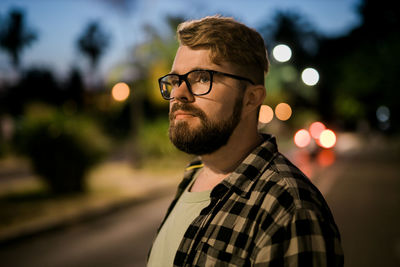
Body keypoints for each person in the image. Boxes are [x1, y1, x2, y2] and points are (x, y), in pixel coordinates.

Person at [147, 15, 343, 267]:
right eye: (175, 81)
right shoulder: (192, 177)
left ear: (251, 99)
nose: (179, 94)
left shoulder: (288, 211)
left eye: (203, 78)